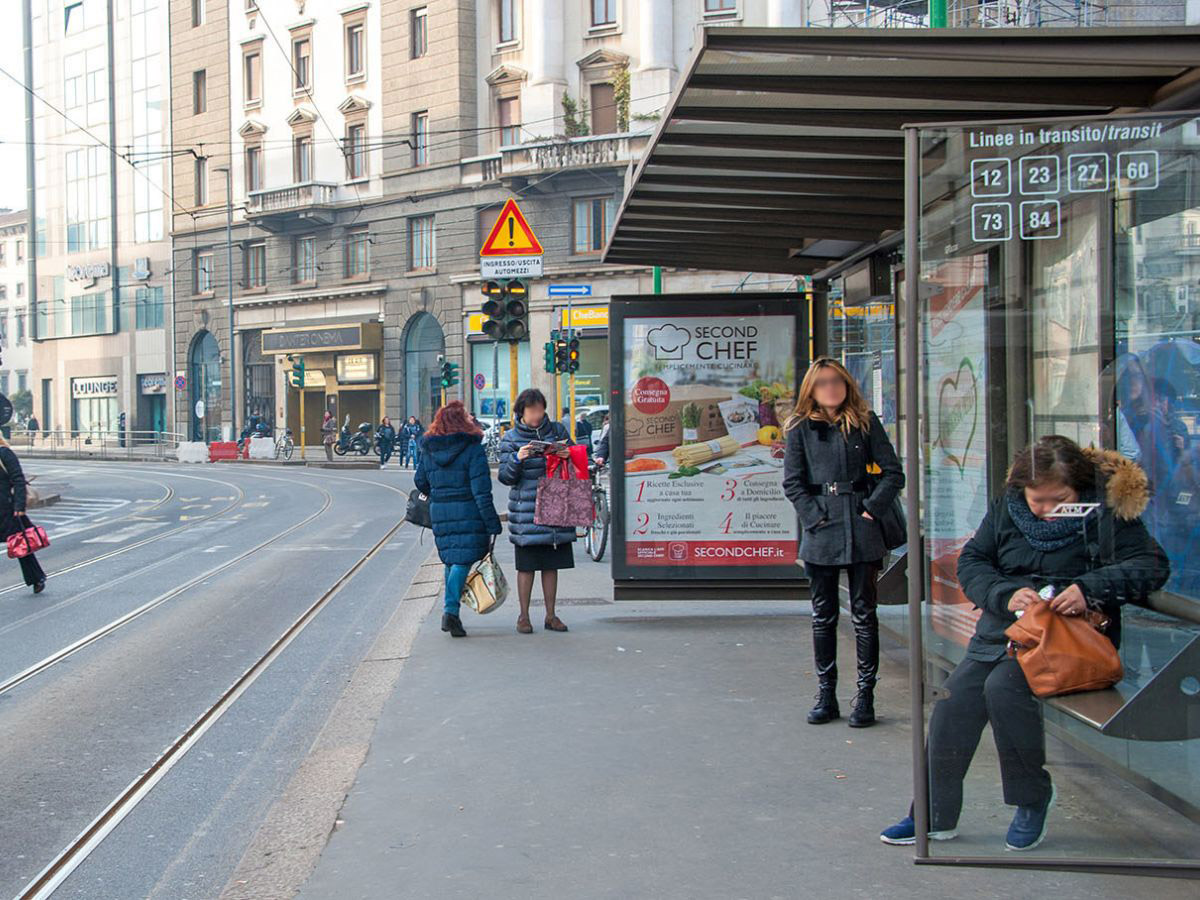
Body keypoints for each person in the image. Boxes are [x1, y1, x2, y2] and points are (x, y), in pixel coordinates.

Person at [881, 436, 1168, 851]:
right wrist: (1004, 594)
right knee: (953, 700)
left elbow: (1151, 564)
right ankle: (932, 813)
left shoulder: (1104, 511)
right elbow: (973, 560)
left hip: (1067, 641)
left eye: (1059, 499)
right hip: (1005, 629)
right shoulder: (1007, 507)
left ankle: (1031, 799)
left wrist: (1089, 588)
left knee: (1003, 690)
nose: (1048, 511)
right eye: (1038, 501)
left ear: (1079, 487)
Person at [782, 356, 903, 728]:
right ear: (811, 390)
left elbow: (893, 473)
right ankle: (826, 694)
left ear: (847, 384)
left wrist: (871, 509)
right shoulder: (800, 428)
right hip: (821, 529)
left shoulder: (865, 423)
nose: (830, 388)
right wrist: (815, 516)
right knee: (824, 616)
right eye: (822, 383)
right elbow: (792, 483)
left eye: (836, 381)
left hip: (861, 526)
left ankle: (865, 696)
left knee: (866, 616)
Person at [415, 401, 503, 638]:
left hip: (441, 511)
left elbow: (420, 480)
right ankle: (450, 613)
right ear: (461, 421)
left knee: (452, 559)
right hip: (468, 509)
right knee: (462, 560)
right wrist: (492, 522)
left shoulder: (428, 447)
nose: (471, 419)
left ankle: (451, 612)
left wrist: (439, 493)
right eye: (467, 416)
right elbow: (481, 491)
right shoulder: (472, 448)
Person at [499, 388, 575, 634]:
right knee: (527, 565)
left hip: (555, 504)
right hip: (527, 511)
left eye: (540, 410)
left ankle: (551, 615)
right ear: (521, 411)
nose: (537, 415)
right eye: (532, 410)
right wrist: (517, 459)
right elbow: (506, 477)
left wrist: (567, 454)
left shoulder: (557, 431)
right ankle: (523, 616)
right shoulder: (510, 438)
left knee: (551, 563)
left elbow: (576, 458)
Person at [0, 436, 46, 594]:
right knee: (21, 545)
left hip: (6, 508)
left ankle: (36, 578)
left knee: (21, 546)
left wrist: (19, 506)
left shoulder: (4, 454)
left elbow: (18, 480)